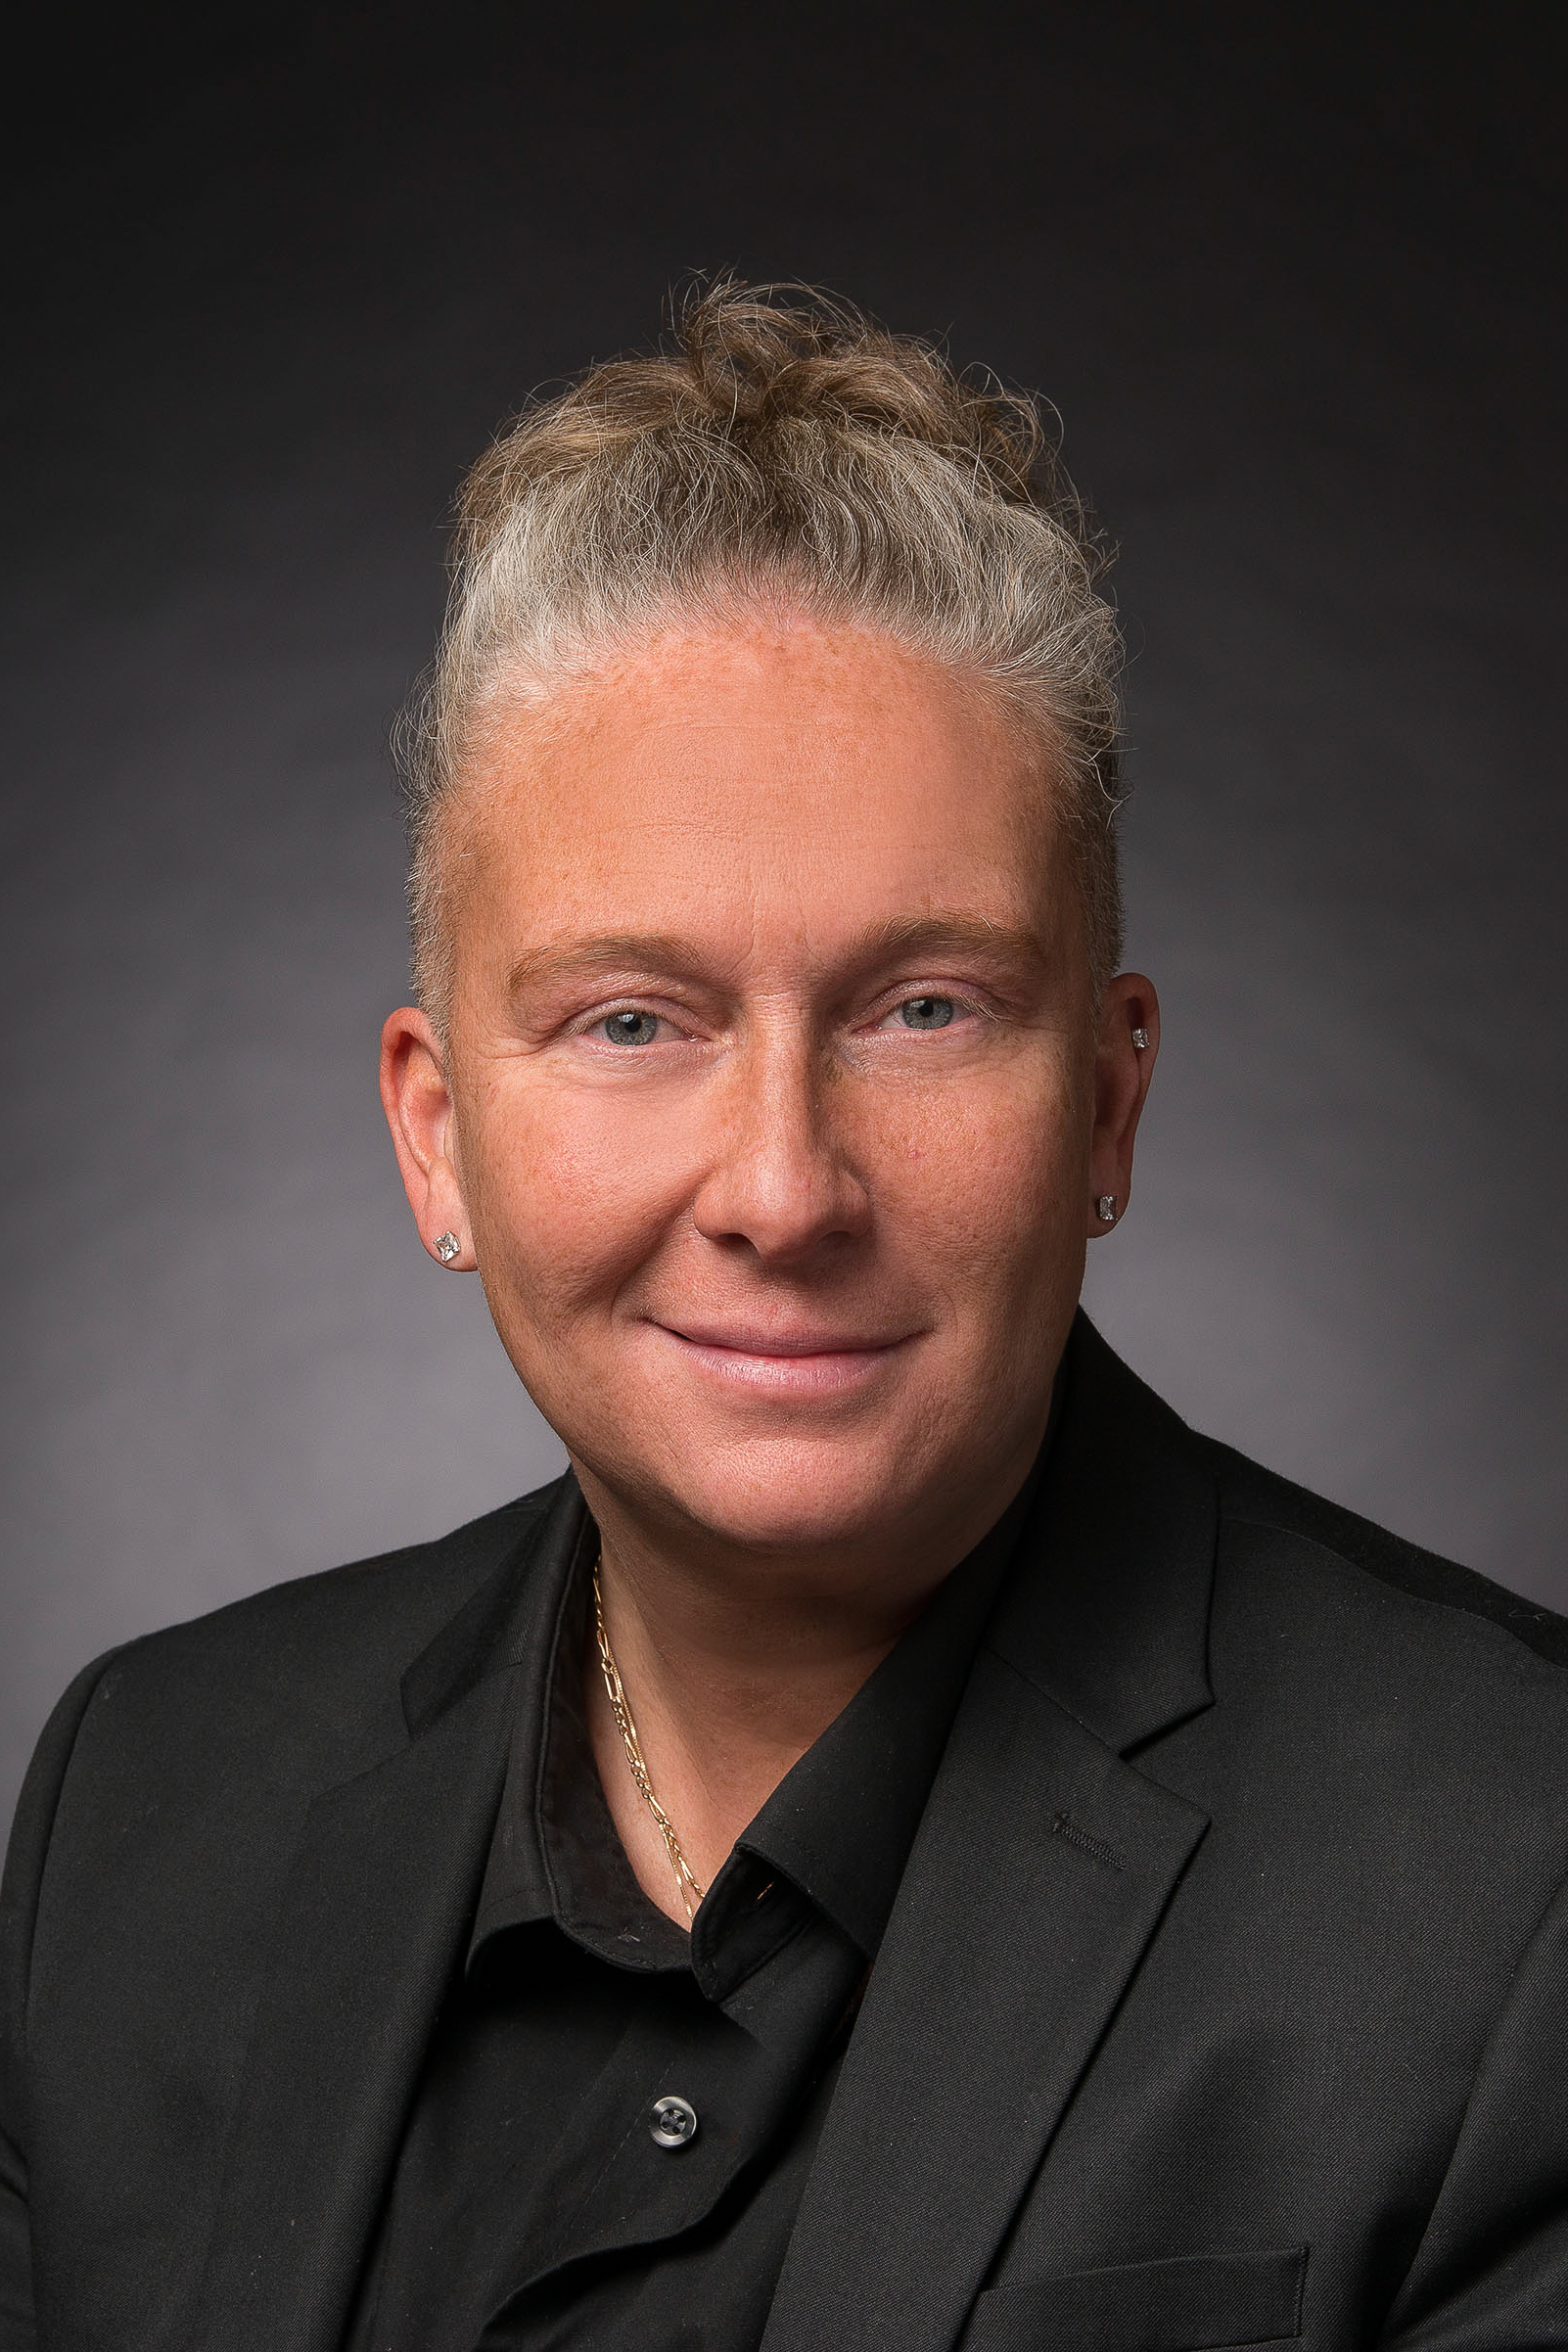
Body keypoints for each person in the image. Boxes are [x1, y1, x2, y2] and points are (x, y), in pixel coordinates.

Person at [3, 283, 1565, 2352]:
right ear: (437, 1136)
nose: (780, 1189)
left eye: (923, 1007)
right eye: (631, 1020)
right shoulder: (143, 1799)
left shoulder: (1517, 1875)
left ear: (1106, 1103)